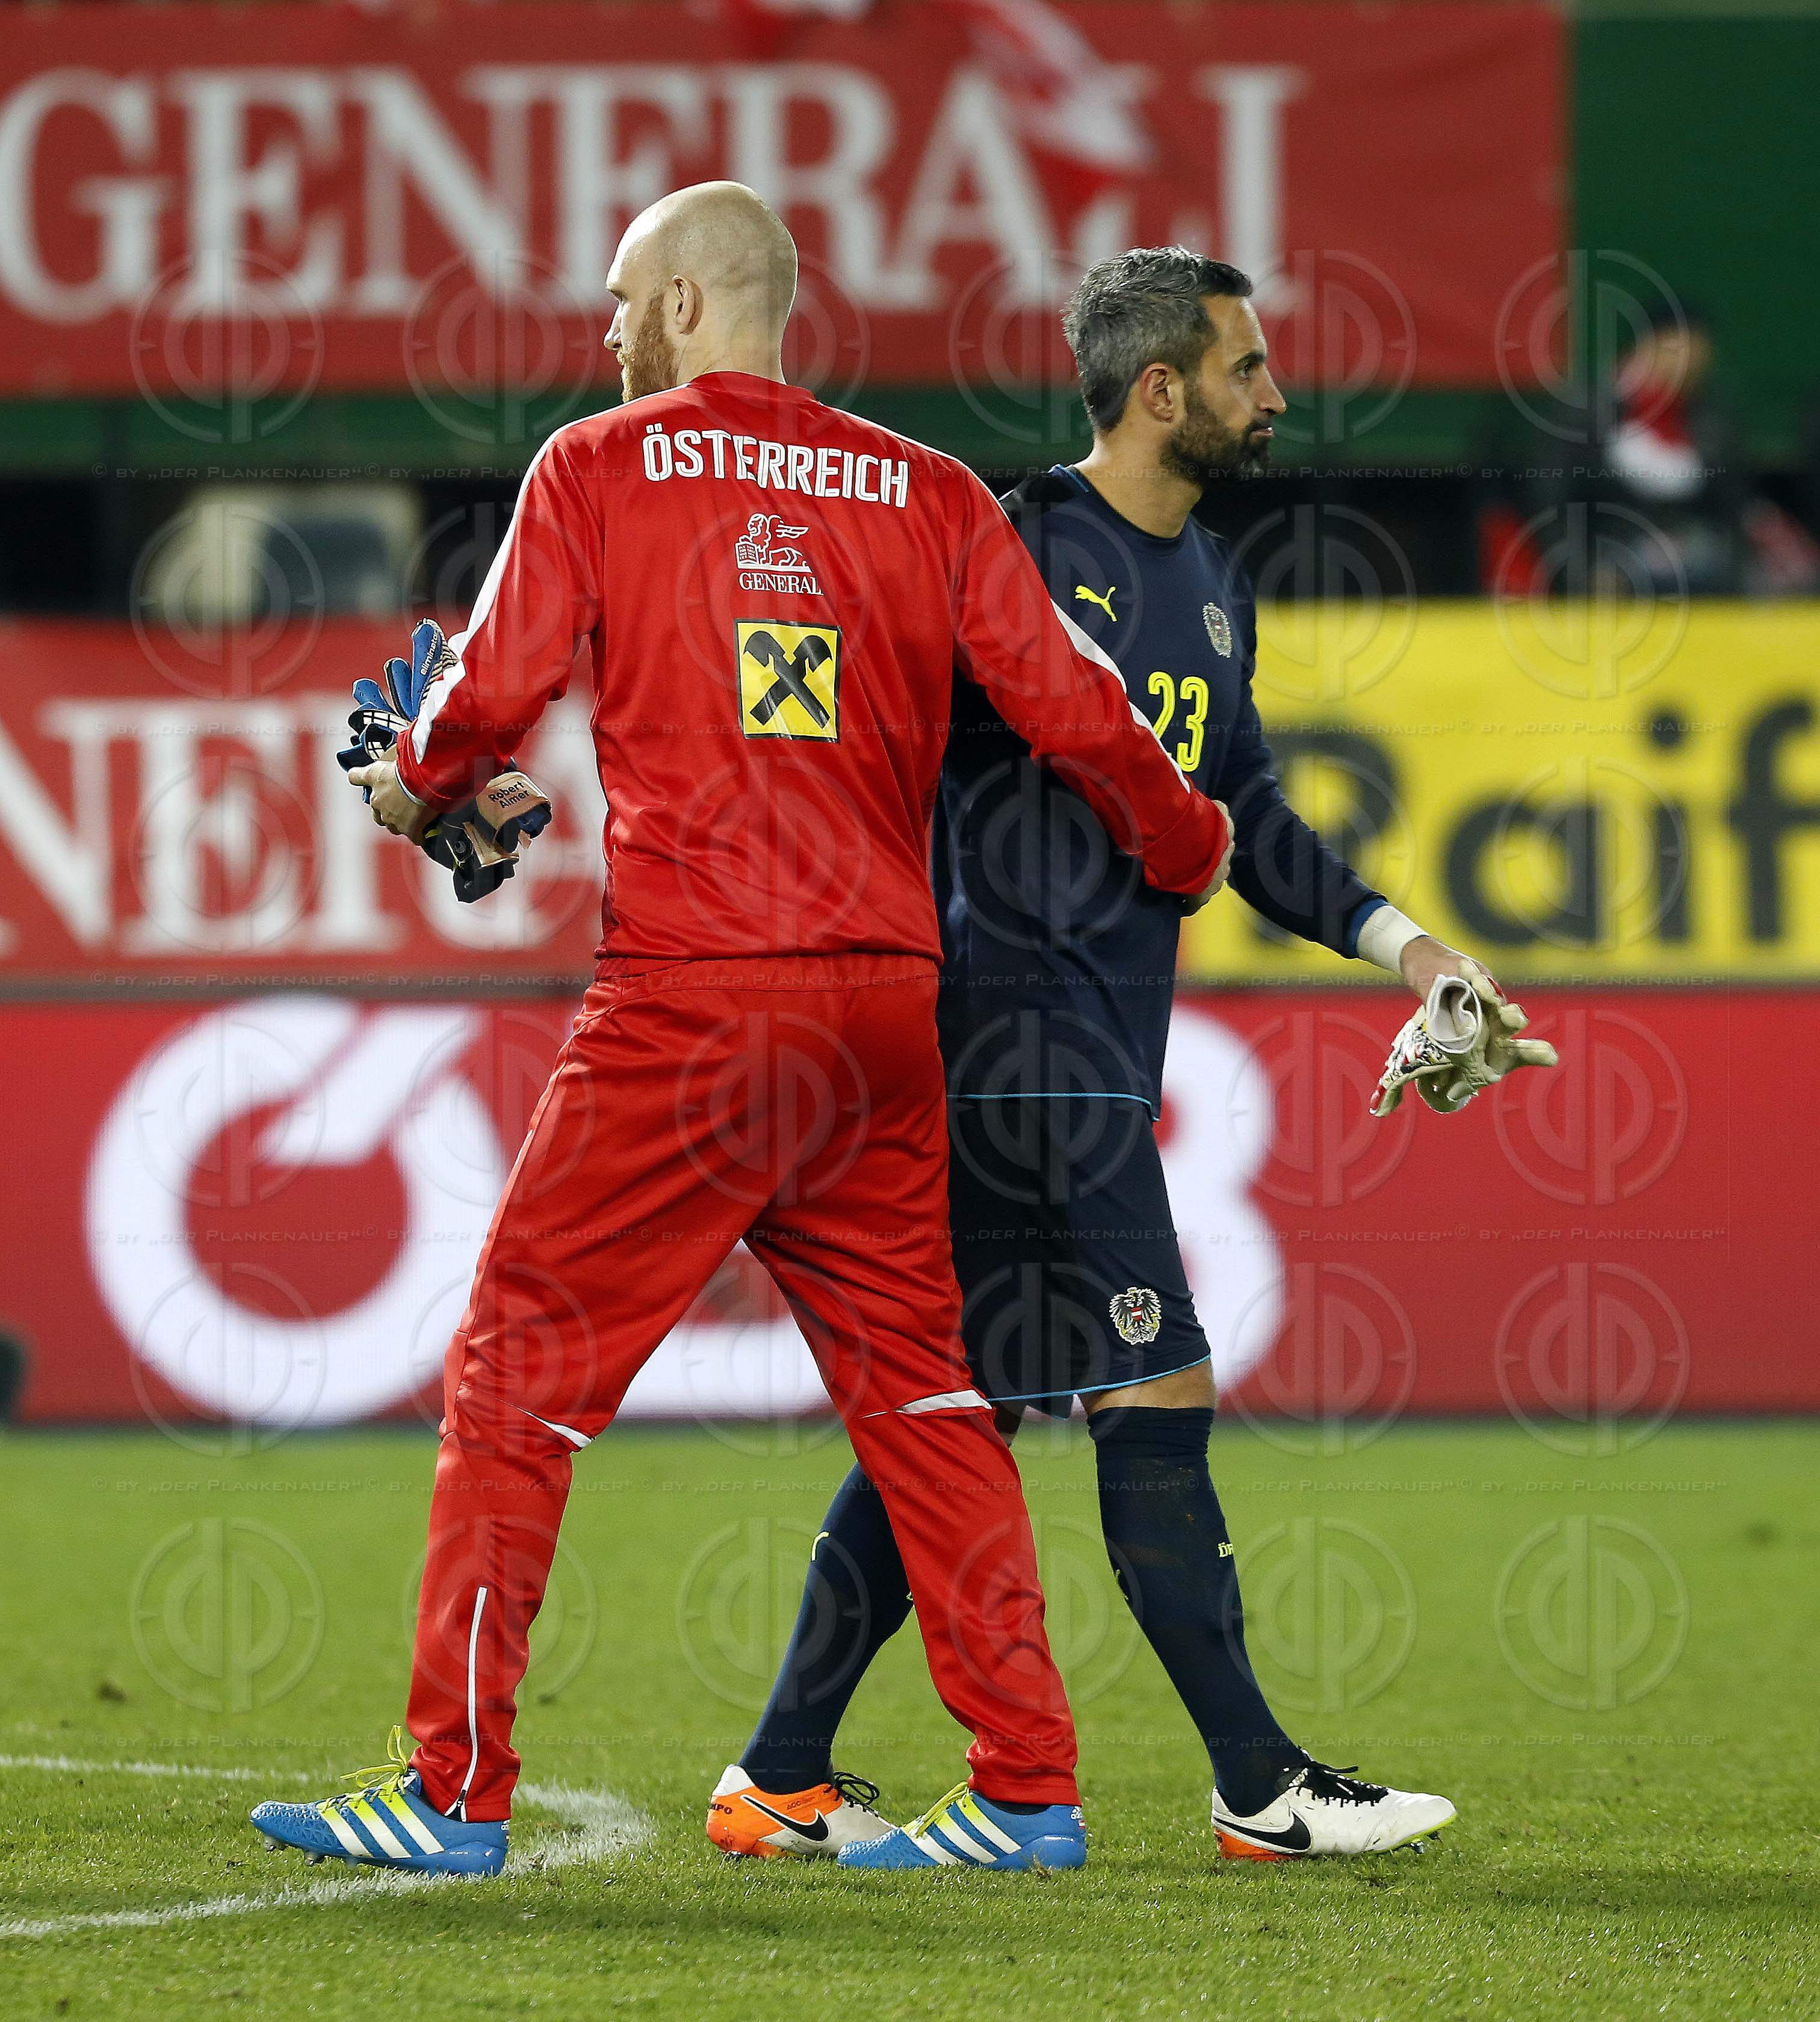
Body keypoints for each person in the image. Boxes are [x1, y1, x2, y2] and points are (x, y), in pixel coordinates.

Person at [246, 190, 1234, 1879]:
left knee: (515, 1379)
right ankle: (1024, 1788)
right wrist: (1189, 841)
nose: (608, 332)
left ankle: (450, 1792)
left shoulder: (599, 465)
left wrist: (418, 785)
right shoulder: (929, 490)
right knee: (928, 1395)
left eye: (625, 299)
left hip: (693, 1005)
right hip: (883, 1019)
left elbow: (486, 696)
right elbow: (1080, 706)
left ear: (692, 304)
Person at [714, 249, 1548, 1868]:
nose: (1277, 394)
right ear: (1160, 390)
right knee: (1155, 1385)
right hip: (1013, 1041)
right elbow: (842, 721)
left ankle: (778, 1772)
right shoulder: (1012, 544)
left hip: (1094, 1043)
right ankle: (1259, 1784)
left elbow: (1249, 823)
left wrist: (1418, 953)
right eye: (1248, 368)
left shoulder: (1215, 581)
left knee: (969, 1409)